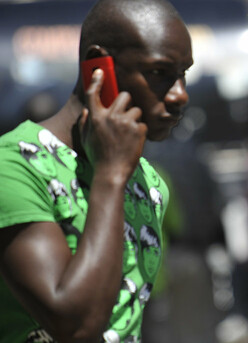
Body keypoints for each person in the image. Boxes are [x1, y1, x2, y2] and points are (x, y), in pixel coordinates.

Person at [0, 0, 193, 342]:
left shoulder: (150, 183)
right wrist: (110, 176)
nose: (180, 95)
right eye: (160, 73)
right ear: (97, 66)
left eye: (184, 74)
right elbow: (76, 327)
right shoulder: (13, 166)